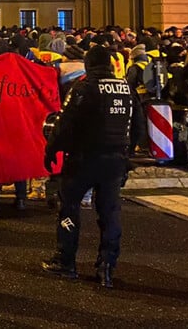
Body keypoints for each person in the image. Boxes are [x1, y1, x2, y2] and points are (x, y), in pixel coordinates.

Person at [42, 45, 138, 288]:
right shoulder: (126, 88)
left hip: (84, 158)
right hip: (115, 160)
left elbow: (65, 123)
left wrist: (51, 149)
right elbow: (139, 126)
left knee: (69, 207)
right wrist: (128, 153)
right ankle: (107, 266)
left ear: (89, 65)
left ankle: (66, 262)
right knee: (110, 213)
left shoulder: (84, 88)